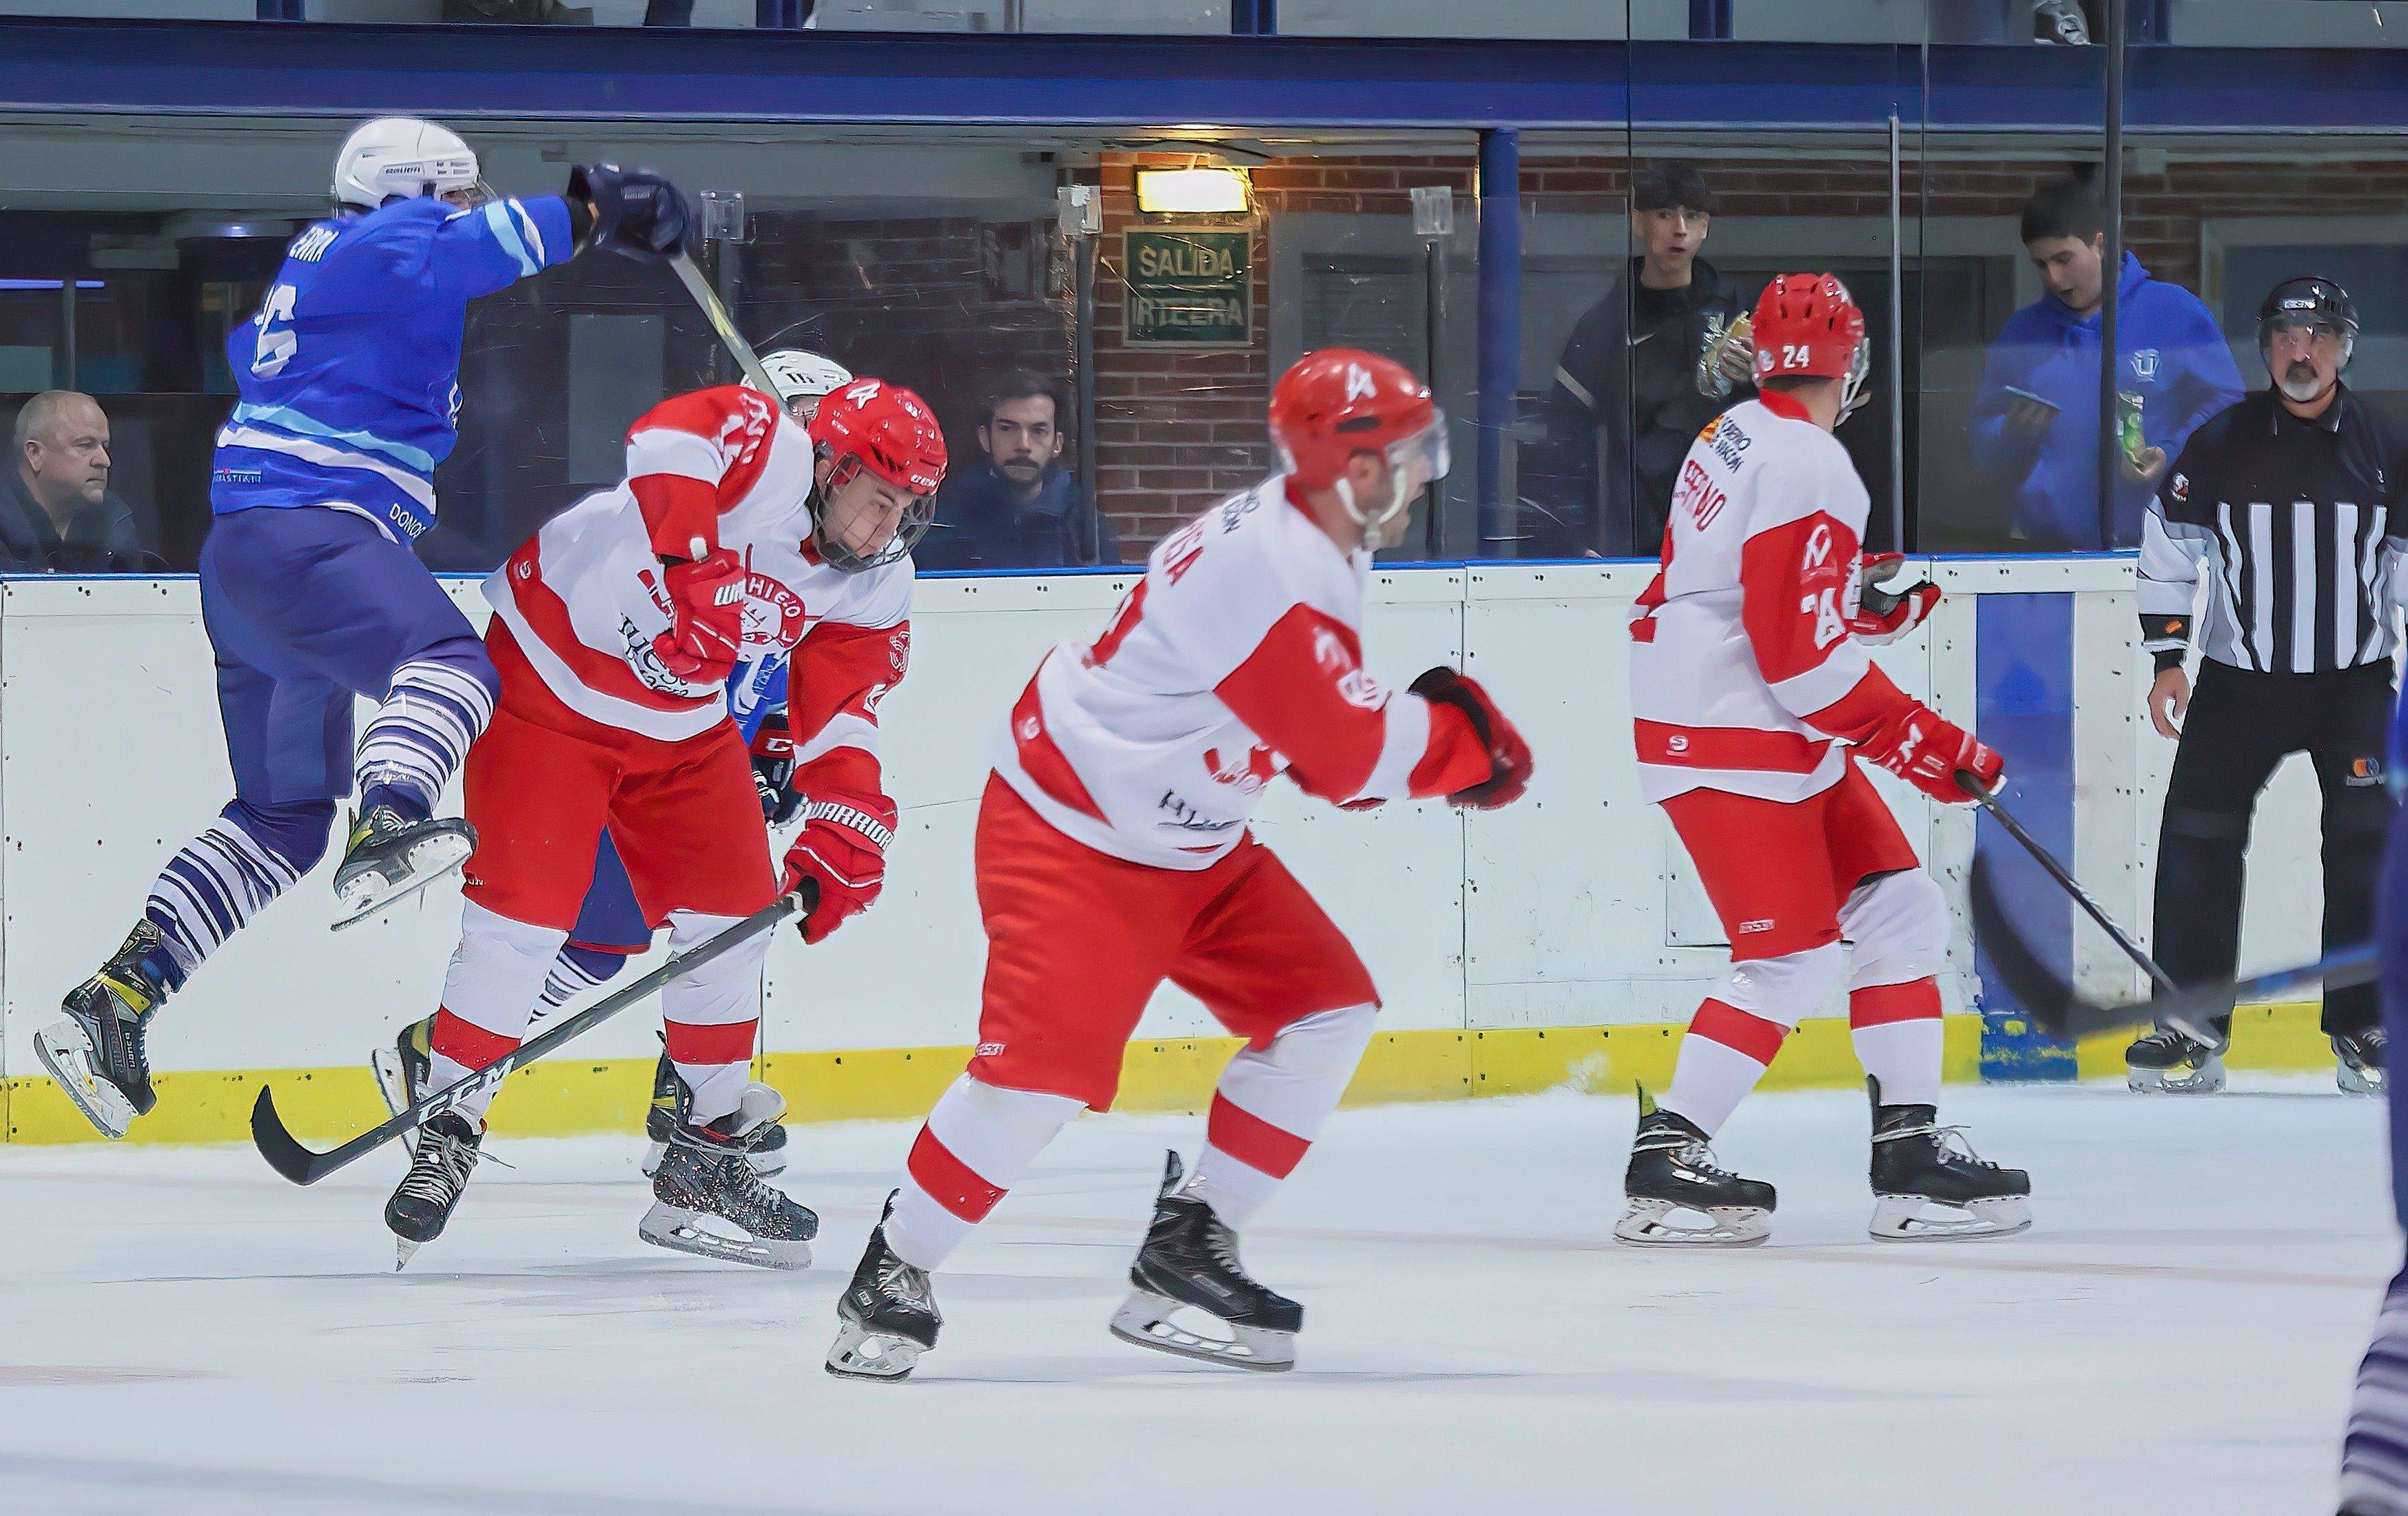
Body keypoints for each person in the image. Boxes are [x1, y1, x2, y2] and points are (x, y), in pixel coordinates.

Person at [823, 349, 1533, 1382]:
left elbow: (1301, 728)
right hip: (1069, 825)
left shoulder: (1312, 538)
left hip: (1187, 835)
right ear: (1357, 466)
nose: (1426, 473)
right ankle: (893, 1270)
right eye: (1410, 454)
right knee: (1041, 1077)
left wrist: (1386, 740)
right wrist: (1464, 743)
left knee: (1324, 1007)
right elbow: (1339, 755)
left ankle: (1188, 1243)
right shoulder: (1281, 568)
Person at [33, 116, 693, 1141]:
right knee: (449, 663)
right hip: (309, 539)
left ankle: (121, 997)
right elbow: (464, 247)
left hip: (252, 560)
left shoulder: (335, 276)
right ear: (415, 194)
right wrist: (594, 209)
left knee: (279, 817)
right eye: (456, 192)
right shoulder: (379, 243)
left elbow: (272, 355)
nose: (465, 210)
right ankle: (391, 813)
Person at [377, 375, 946, 1271]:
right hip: (548, 682)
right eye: (878, 502)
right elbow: (666, 434)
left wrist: (849, 815)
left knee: (732, 922)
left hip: (681, 728)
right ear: (831, 468)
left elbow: (844, 708)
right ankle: (450, 1121)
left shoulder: (876, 581)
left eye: (905, 513)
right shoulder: (768, 451)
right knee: (524, 915)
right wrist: (692, 565)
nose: (885, 532)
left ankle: (704, 1149)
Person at [1619, 273, 2030, 1247]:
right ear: (1849, 365)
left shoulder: (1731, 435)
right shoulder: (1813, 464)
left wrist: (1858, 607)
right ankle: (1666, 1159)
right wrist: (1924, 743)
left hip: (1744, 717)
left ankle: (1907, 1151)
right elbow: (1794, 657)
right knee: (1786, 956)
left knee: (1898, 907)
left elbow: (1749, 596)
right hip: (1736, 728)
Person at [2130, 276, 2405, 1096]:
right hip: (2238, 685)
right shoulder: (2220, 441)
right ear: (2265, 347)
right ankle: (2188, 1026)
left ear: (2344, 348)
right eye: (2286, 335)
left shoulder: (2388, 444)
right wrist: (2167, 657)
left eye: (2319, 336)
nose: (2301, 350)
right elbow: (2170, 547)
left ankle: (2365, 1024)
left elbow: (2401, 569)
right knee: (2196, 849)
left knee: (2365, 852)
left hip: (2353, 685)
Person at [1967, 179, 2242, 549]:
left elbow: (2226, 408)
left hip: (2158, 549)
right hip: (2043, 554)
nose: (2054, 278)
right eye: (2041, 264)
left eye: (2064, 259)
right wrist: (2011, 432)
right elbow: (1982, 444)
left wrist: (2170, 450)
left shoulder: (2174, 312)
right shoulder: (2023, 334)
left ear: (2100, 244)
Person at [1521, 161, 1752, 558]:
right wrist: (1578, 542)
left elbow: (1796, 419)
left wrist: (1761, 382)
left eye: (1692, 216)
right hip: (1634, 544)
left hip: (1728, 537)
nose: (1680, 228)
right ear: (1639, 223)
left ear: (1706, 227)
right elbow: (1563, 442)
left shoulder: (1743, 316)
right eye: (1665, 214)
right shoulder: (1603, 327)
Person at [914, 371, 1117, 571]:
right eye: (1007, 428)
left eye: (1039, 431)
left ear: (1057, 443)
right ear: (985, 438)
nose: (1023, 444)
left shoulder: (1086, 527)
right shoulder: (946, 524)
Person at [1, 390, 150, 573]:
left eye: (105, 446)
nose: (105, 461)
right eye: (85, 445)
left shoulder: (116, 521)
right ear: (35, 454)